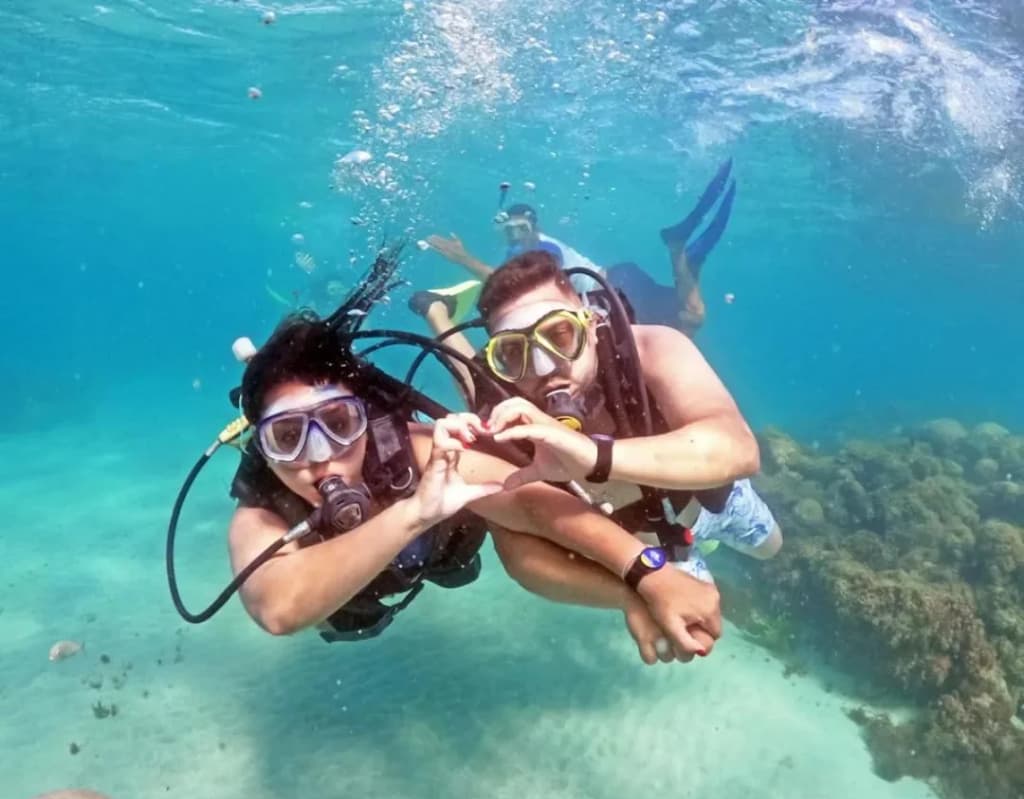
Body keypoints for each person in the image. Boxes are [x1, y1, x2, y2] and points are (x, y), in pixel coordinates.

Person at [225, 256, 724, 664]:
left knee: (486, 431)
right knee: (478, 392)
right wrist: (414, 513)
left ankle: (436, 314)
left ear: (365, 417)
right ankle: (436, 317)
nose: (320, 455)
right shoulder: (262, 506)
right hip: (369, 589)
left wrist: (648, 575)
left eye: (338, 423)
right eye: (287, 437)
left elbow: (531, 503)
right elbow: (278, 608)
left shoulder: (413, 448)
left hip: (442, 554)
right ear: (260, 446)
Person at [408, 249, 782, 601]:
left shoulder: (650, 348)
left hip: (718, 502)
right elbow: (521, 558)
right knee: (474, 382)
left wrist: (594, 456)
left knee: (771, 549)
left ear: (591, 322)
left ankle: (443, 314)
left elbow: (739, 449)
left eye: (558, 335)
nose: (544, 368)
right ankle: (437, 311)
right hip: (648, 551)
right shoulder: (506, 406)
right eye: (512, 351)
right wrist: (632, 595)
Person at [425, 160, 736, 337]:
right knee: (691, 316)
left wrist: (463, 258)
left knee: (687, 322)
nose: (516, 236)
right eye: (510, 230)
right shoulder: (521, 252)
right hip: (621, 282)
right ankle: (678, 250)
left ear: (534, 228)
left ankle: (679, 251)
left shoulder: (544, 248)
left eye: (522, 229)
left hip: (616, 291)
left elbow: (511, 283)